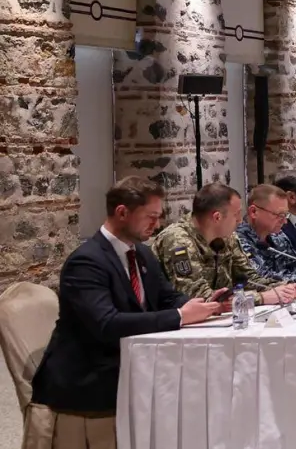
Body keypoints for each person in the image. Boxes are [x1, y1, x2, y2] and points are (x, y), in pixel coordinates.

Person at [30, 177, 224, 413]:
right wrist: (180, 316)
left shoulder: (141, 253)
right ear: (122, 213)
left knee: (205, 382)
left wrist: (206, 306)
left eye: (159, 216)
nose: (157, 224)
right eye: (151, 217)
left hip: (132, 361)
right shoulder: (86, 262)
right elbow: (107, 324)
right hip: (89, 377)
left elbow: (166, 297)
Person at [153, 183, 296, 305]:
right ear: (217, 217)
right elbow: (197, 295)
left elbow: (249, 278)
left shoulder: (228, 238)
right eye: (236, 214)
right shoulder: (178, 240)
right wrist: (261, 298)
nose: (240, 220)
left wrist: (287, 287)